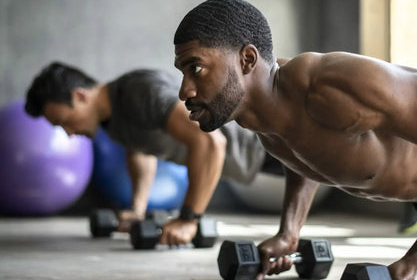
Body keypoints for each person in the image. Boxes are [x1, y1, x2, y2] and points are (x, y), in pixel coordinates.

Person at [172, 0, 417, 280]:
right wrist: (289, 231)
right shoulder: (264, 121)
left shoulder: (331, 85)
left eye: (196, 68)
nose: (185, 90)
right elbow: (305, 155)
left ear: (247, 59)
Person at [25, 62, 282, 245]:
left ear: (79, 96)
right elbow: (140, 151)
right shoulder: (111, 119)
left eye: (64, 121)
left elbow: (209, 142)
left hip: (265, 141)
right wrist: (137, 209)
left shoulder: (139, 91)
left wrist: (188, 219)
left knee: (317, 171)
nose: (68, 133)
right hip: (248, 161)